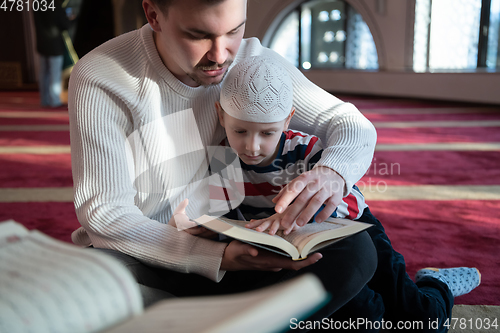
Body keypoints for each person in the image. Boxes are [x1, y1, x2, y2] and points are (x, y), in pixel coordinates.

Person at [68, 0, 377, 316]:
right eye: (198, 35)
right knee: (84, 284)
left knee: (353, 253)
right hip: (146, 252)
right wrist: (213, 256)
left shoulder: (249, 63)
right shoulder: (103, 75)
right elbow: (105, 213)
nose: (221, 55)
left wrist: (331, 171)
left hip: (234, 250)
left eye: (234, 31)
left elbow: (349, 123)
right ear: (153, 15)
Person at [203, 55, 481, 332]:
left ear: (288, 119)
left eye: (267, 133)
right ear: (221, 115)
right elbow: (227, 216)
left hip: (354, 230)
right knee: (365, 315)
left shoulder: (307, 150)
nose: (252, 146)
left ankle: (437, 284)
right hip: (299, 252)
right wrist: (213, 229)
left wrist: (295, 217)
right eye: (240, 130)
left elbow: (346, 204)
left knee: (421, 319)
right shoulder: (222, 158)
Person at [33, 0, 71, 108]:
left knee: (43, 73)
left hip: (41, 43)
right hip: (54, 44)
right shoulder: (56, 5)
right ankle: (54, 101)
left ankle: (44, 100)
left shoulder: (37, 4)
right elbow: (65, 25)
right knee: (54, 74)